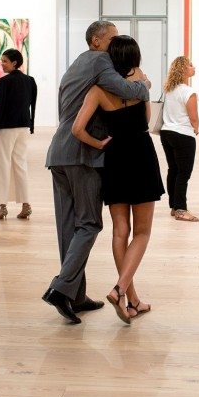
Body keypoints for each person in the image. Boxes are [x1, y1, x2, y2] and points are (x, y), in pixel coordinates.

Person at [41, 21, 150, 324]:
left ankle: (75, 295)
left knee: (69, 229)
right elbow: (128, 90)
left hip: (58, 154)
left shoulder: (77, 63)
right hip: (82, 155)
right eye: (112, 38)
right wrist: (144, 83)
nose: (115, 45)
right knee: (88, 224)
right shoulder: (102, 61)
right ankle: (60, 289)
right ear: (97, 41)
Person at [72, 36, 164, 325]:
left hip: (114, 158)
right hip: (141, 153)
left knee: (119, 231)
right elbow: (147, 121)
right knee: (143, 232)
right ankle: (120, 289)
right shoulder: (141, 83)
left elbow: (77, 129)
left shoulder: (98, 89)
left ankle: (132, 300)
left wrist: (99, 144)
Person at [0, 49, 37, 220]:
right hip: (23, 127)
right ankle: (26, 205)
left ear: (14, 63)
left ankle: (3, 208)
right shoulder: (29, 81)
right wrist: (31, 125)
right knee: (20, 164)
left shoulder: (4, 81)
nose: (2, 64)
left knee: (2, 165)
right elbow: (32, 105)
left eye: (5, 61)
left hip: (6, 128)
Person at [159, 56, 199, 222]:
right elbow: (194, 117)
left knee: (173, 170)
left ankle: (175, 206)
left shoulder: (169, 89)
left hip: (167, 133)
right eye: (190, 65)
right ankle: (181, 210)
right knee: (184, 174)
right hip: (183, 135)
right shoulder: (188, 92)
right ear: (183, 70)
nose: (193, 67)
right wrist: (196, 128)